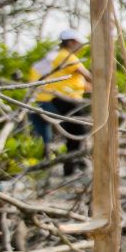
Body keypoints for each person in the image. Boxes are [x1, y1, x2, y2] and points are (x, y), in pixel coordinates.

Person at [28, 28, 92, 175]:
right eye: (78, 43)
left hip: (63, 99)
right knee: (77, 131)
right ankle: (71, 165)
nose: (81, 47)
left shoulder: (60, 56)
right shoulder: (68, 57)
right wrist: (106, 86)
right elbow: (88, 76)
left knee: (74, 131)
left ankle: (75, 163)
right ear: (70, 42)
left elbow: (79, 82)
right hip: (66, 100)